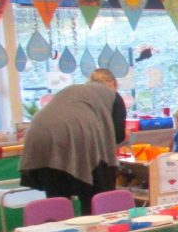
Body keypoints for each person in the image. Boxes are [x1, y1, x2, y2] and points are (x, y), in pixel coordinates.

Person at [20, 69, 125, 214]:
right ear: (113, 83)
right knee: (96, 197)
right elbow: (116, 136)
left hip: (39, 131)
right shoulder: (112, 95)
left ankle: (57, 226)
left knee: (58, 200)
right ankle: (94, 226)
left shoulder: (72, 91)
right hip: (78, 134)